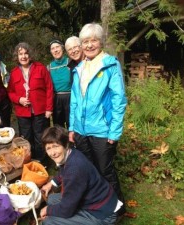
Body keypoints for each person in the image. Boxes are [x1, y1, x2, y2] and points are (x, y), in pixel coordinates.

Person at [69, 23, 127, 215]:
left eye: (93, 40)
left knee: (105, 171)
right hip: (80, 130)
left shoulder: (110, 65)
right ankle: (98, 206)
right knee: (89, 171)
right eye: (85, 41)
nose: (89, 45)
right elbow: (75, 101)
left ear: (101, 42)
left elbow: (119, 101)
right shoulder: (79, 68)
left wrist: (114, 131)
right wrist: (72, 127)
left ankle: (117, 210)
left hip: (102, 129)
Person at [40, 126, 121, 225]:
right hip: (97, 202)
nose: (53, 153)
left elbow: (66, 210)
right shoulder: (72, 153)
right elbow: (63, 171)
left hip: (102, 214)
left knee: (49, 222)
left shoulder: (74, 170)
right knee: (52, 199)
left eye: (56, 146)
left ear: (65, 145)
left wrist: (48, 210)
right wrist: (52, 183)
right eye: (48, 148)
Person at [7, 42, 53, 162]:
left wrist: (49, 108)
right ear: (17, 57)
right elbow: (10, 92)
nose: (23, 56)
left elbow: (49, 88)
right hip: (23, 113)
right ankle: (28, 161)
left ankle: (43, 162)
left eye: (26, 53)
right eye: (20, 54)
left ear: (30, 55)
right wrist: (19, 99)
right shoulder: (14, 73)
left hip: (40, 111)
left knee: (40, 137)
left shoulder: (40, 68)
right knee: (26, 138)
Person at [48, 40, 71, 128]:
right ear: (51, 52)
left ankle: (72, 142)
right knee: (58, 127)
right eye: (53, 48)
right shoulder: (49, 67)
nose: (55, 50)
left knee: (72, 125)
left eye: (57, 47)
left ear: (62, 48)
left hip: (70, 97)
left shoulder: (70, 62)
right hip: (56, 99)